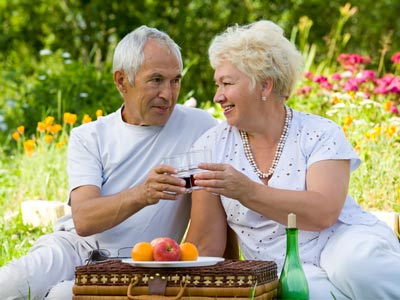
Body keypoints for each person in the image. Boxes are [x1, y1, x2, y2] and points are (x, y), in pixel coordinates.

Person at [184, 20, 400, 300]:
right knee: (306, 292)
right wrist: (162, 269)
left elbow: (323, 212)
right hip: (281, 264)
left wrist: (247, 191)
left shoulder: (319, 133)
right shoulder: (211, 147)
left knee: (356, 267)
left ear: (264, 85)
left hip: (342, 240)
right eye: (218, 84)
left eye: (227, 83)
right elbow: (206, 242)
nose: (217, 96)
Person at [0, 25, 218, 300]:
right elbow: (84, 219)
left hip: (136, 265)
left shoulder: (201, 127)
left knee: (62, 296)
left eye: (175, 80)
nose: (168, 93)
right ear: (121, 81)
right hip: (72, 246)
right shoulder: (89, 136)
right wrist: (143, 194)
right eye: (156, 80)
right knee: (9, 283)